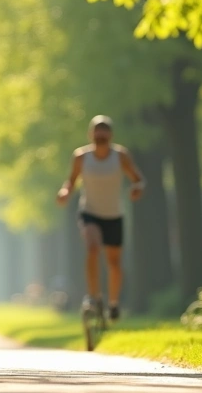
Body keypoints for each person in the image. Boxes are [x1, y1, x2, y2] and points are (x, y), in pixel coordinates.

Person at [56, 115, 145, 323]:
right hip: (90, 212)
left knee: (114, 263)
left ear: (111, 136)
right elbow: (70, 181)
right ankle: (94, 297)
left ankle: (113, 303)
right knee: (93, 247)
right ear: (91, 135)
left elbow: (138, 179)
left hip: (114, 214)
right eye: (97, 132)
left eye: (104, 132)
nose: (101, 136)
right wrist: (64, 192)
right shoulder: (81, 157)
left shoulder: (121, 156)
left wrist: (137, 189)